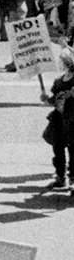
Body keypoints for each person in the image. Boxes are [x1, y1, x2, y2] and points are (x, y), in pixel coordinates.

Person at [44, 47, 74, 189]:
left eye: (62, 60)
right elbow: (54, 99)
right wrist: (46, 99)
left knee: (73, 150)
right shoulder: (59, 80)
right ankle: (60, 176)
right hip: (59, 119)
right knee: (58, 148)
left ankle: (73, 179)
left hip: (72, 119)